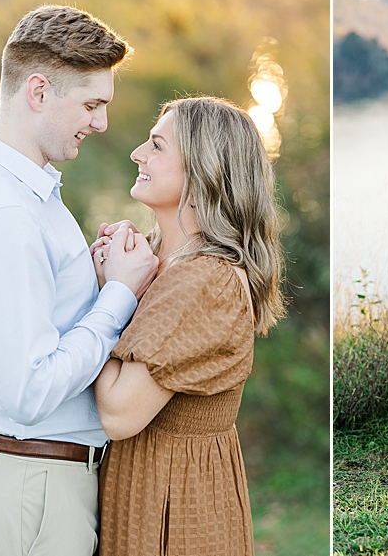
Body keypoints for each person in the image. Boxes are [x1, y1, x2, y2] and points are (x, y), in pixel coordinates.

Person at [0, 5, 159, 556]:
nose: (100, 123)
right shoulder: (5, 215)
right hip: (22, 485)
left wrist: (96, 274)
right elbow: (29, 390)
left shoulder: (31, 196)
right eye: (91, 104)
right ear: (38, 92)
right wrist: (118, 295)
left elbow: (42, 318)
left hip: (29, 480)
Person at [92, 96, 285, 556]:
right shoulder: (156, 260)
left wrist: (107, 296)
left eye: (157, 146)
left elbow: (119, 413)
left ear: (203, 173)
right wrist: (114, 278)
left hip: (175, 502)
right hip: (143, 484)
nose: (138, 153)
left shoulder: (206, 278)